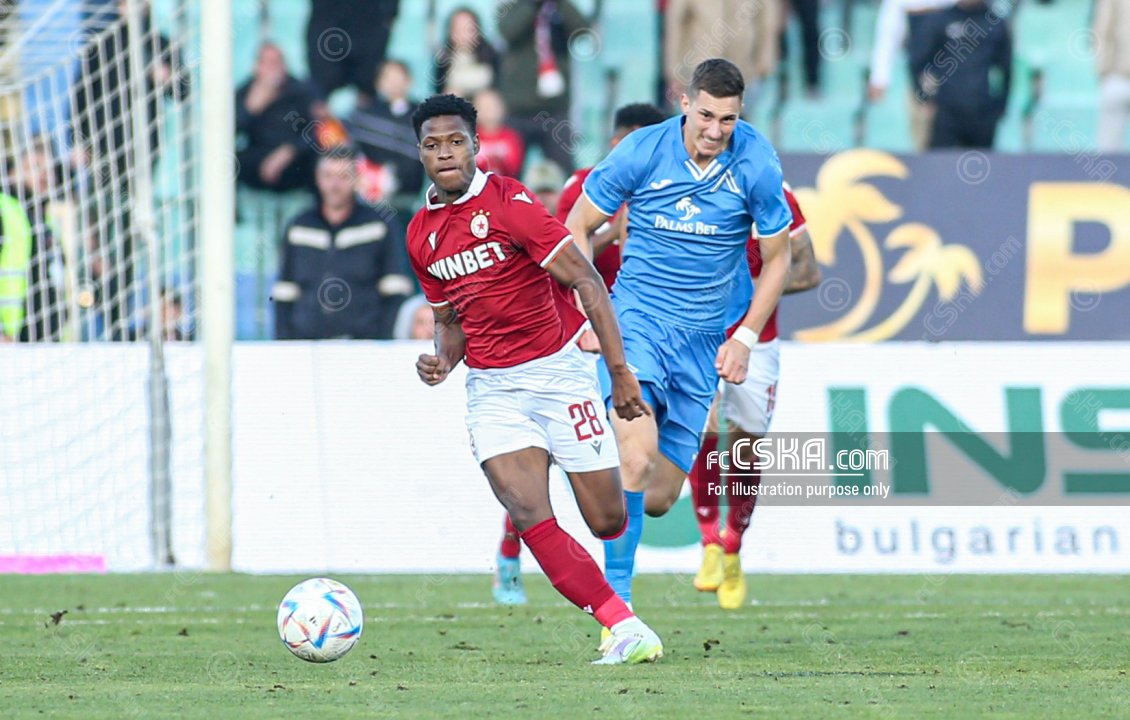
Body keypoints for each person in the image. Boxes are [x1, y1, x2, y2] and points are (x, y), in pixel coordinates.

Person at [405, 93, 662, 664]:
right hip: (493, 390)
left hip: (559, 375)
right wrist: (442, 360)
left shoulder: (511, 203)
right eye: (432, 144)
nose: (445, 153)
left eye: (455, 142)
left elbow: (588, 281)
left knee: (607, 519)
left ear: (476, 146)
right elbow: (451, 323)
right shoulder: (420, 235)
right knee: (526, 511)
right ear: (419, 153)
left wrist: (618, 373)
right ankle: (623, 626)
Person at [563, 58, 793, 612]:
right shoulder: (643, 150)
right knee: (635, 460)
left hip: (703, 342)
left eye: (729, 120)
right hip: (636, 325)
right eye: (707, 115)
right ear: (684, 102)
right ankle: (617, 613)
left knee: (660, 496)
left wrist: (745, 337)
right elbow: (575, 228)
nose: (716, 130)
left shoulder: (756, 161)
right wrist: (592, 318)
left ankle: (591, 474)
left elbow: (782, 259)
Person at [488, 102, 667, 607]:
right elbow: (560, 254)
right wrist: (615, 227)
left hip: (636, 341)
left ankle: (621, 589)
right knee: (543, 455)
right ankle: (508, 554)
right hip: (575, 343)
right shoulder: (584, 189)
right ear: (617, 148)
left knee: (632, 458)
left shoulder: (675, 194)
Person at [687, 182, 820, 610]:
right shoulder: (681, 182)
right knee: (701, 427)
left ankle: (732, 546)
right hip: (699, 334)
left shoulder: (773, 191)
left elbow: (807, 271)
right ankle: (709, 541)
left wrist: (752, 287)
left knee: (745, 444)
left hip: (757, 339)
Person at [273, 149, 413, 340]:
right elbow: (284, 292)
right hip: (306, 345)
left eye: (343, 176)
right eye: (328, 175)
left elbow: (395, 288)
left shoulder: (379, 225)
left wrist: (382, 340)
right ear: (317, 178)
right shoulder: (299, 226)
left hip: (364, 346)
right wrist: (285, 343)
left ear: (356, 179)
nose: (334, 184)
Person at [497, 0, 589, 172]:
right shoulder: (512, 5)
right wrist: (532, 4)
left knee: (563, 169)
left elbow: (582, 31)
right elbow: (508, 30)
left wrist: (560, 4)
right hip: (519, 108)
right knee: (510, 174)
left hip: (554, 108)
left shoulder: (560, 7)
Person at [913, 0, 1012, 149]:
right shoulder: (941, 19)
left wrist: (1001, 106)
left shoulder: (995, 23)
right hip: (946, 113)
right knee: (941, 166)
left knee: (981, 166)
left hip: (983, 112)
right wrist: (924, 97)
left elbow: (1006, 68)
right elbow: (920, 61)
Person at [0, 142, 68, 342]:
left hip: (45, 341)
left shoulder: (44, 221)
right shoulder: (4, 210)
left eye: (49, 170)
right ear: (12, 173)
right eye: (36, 167)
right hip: (11, 342)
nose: (45, 175)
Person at [867, 0, 956, 150]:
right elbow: (889, 31)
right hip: (923, 77)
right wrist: (879, 76)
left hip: (963, 79)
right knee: (925, 139)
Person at [663, 0, 779, 114]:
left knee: (739, 123)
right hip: (701, 68)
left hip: (744, 69)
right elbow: (676, 23)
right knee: (701, 122)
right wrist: (673, 69)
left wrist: (764, 63)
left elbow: (767, 21)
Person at [236, 43, 320, 193]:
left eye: (277, 62)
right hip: (258, 158)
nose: (273, 68)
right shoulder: (245, 92)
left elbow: (317, 131)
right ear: (257, 67)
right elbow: (230, 133)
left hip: (295, 158)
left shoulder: (301, 90)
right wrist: (251, 109)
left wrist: (288, 151)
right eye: (268, 63)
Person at [347, 60, 426, 206]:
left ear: (409, 80)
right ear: (378, 84)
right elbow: (353, 152)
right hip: (368, 197)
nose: (393, 82)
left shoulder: (424, 115)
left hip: (409, 198)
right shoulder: (364, 115)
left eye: (398, 76)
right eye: (387, 77)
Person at [306, 0, 399, 104]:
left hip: (370, 25)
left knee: (367, 91)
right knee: (321, 92)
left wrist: (390, 14)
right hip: (327, 25)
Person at [434, 7, 500, 97]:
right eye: (458, 29)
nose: (463, 35)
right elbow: (438, 90)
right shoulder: (443, 59)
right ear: (450, 32)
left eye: (468, 29)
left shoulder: (491, 56)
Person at [1095, 0, 1130, 151]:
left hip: (1116, 76)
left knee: (1109, 155)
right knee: (1109, 151)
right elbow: (1101, 32)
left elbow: (1101, 30)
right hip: (1118, 77)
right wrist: (1104, 71)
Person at [473, 89, 525, 178]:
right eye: (484, 107)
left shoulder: (511, 137)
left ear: (502, 109)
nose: (489, 111)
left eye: (493, 106)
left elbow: (514, 170)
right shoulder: (470, 137)